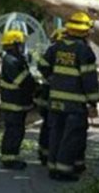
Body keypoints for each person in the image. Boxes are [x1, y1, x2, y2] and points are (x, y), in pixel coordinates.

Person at [40, 11, 99, 182]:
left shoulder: (56, 47)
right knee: (71, 136)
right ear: (86, 31)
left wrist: (53, 80)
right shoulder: (85, 51)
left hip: (55, 101)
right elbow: (89, 79)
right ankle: (64, 171)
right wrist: (93, 103)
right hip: (75, 104)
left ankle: (53, 168)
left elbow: (43, 66)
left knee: (56, 134)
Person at [0, 30, 37, 170]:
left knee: (17, 131)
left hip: (17, 103)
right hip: (13, 104)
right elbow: (22, 81)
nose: (22, 46)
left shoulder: (16, 58)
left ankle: (12, 157)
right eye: (21, 43)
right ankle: (9, 160)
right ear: (14, 44)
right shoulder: (10, 60)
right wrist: (34, 87)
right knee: (13, 132)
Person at [35, 28, 64, 165]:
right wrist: (52, 78)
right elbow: (42, 66)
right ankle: (49, 155)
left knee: (47, 125)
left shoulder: (53, 50)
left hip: (48, 93)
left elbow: (41, 66)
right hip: (51, 94)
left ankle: (44, 154)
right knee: (53, 126)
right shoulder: (56, 50)